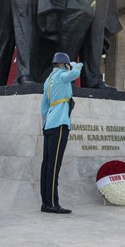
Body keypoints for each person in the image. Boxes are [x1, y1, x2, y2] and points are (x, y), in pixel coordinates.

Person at [40, 52, 82, 214]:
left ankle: (45, 202)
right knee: (54, 166)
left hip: (49, 124)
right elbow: (76, 73)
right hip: (60, 124)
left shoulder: (48, 80)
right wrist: (76, 65)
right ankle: (52, 203)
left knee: (47, 164)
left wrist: (45, 122)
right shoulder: (63, 75)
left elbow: (43, 106)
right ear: (64, 64)